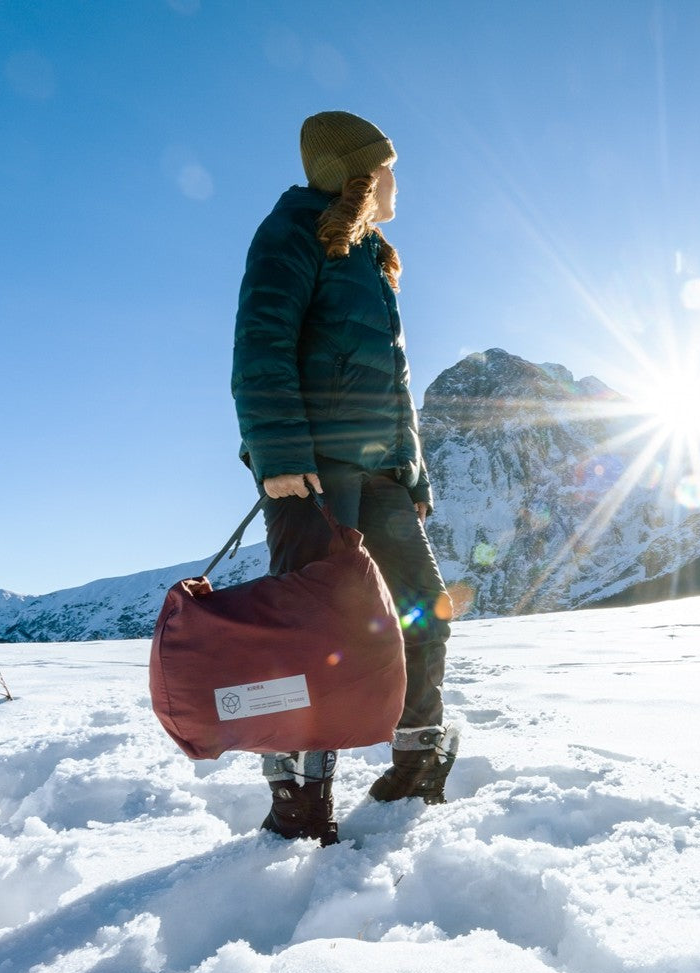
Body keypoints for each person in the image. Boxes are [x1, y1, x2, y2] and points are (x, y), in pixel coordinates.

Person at [231, 111, 458, 846]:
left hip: (384, 474)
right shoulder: (293, 232)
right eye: (386, 165)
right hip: (316, 472)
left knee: (425, 608)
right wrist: (280, 453)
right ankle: (300, 796)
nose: (398, 179)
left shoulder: (367, 254)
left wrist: (414, 472)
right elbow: (260, 344)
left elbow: (392, 382)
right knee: (314, 633)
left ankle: (416, 762)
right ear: (354, 173)